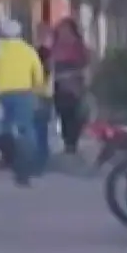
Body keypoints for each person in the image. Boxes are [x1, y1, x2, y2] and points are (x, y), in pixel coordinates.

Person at [0, 20, 46, 186]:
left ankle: (10, 154)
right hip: (24, 93)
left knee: (6, 127)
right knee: (27, 131)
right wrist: (39, 92)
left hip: (4, 94)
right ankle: (27, 166)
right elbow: (38, 73)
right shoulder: (28, 51)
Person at [49, 17, 90, 154]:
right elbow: (50, 65)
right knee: (63, 115)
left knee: (75, 116)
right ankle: (68, 145)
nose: (63, 33)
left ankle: (73, 144)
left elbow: (86, 65)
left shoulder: (78, 46)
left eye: (66, 30)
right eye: (61, 30)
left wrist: (72, 76)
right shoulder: (55, 46)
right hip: (59, 87)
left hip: (74, 87)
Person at [33, 38, 54, 173]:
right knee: (42, 132)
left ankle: (39, 162)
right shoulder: (49, 70)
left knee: (38, 132)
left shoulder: (35, 68)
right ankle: (43, 160)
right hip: (45, 100)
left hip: (37, 100)